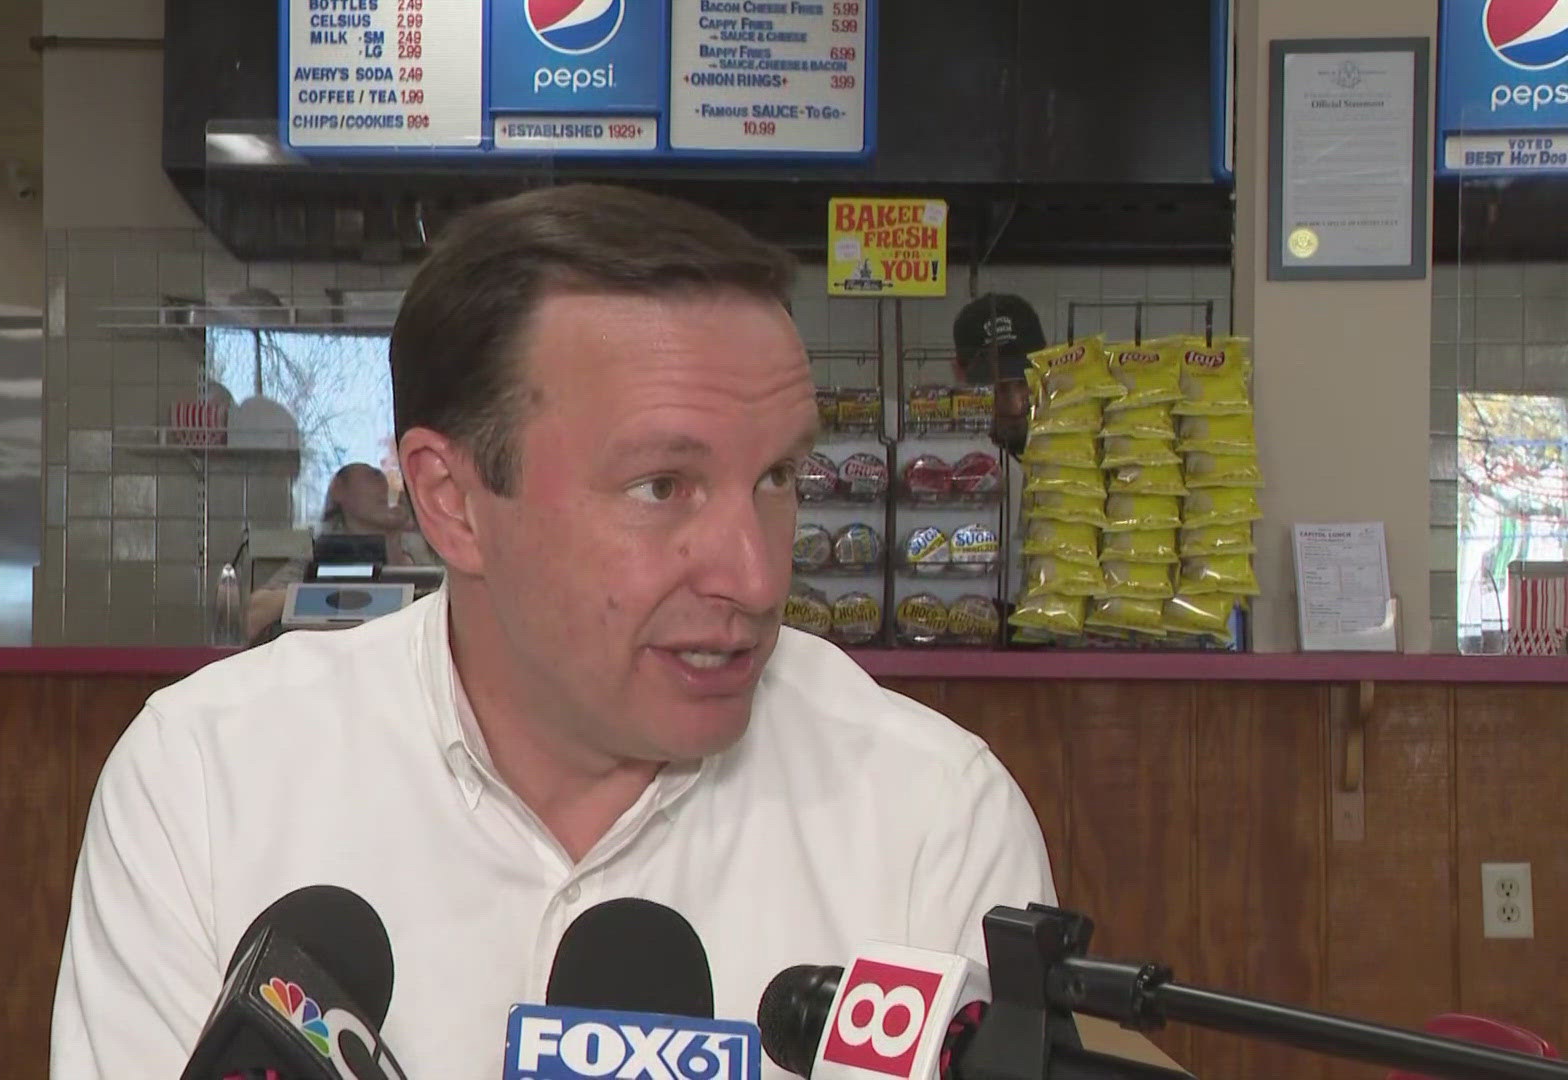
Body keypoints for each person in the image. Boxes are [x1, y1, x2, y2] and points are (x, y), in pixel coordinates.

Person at [51, 184, 1054, 1080]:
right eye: (662, 486)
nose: (754, 576)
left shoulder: (932, 821)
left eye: (777, 479)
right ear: (452, 501)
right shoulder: (206, 785)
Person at [952, 292, 1047, 457]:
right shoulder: (943, 460)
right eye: (997, 387)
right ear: (958, 373)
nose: (1014, 406)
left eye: (1023, 382)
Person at [318, 461, 435, 566]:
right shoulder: (321, 568)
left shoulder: (437, 555)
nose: (386, 484)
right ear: (338, 490)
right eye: (374, 475)